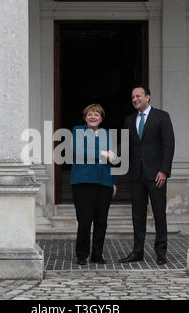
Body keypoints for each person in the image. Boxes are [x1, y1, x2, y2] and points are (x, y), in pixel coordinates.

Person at [118, 85, 175, 265]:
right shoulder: (129, 120)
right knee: (138, 216)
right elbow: (124, 145)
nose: (135, 99)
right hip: (136, 175)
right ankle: (137, 252)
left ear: (148, 97)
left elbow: (169, 145)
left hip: (157, 175)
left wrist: (164, 170)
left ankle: (161, 252)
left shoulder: (162, 116)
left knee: (159, 215)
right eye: (133, 97)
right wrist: (112, 154)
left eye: (138, 96)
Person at [70, 103, 117, 265]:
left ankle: (97, 254)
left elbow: (112, 160)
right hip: (83, 182)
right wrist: (102, 153)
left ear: (101, 118)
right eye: (90, 114)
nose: (93, 116)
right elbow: (79, 152)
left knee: (101, 221)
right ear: (85, 117)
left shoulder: (107, 134)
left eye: (96, 114)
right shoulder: (78, 131)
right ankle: (82, 254)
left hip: (104, 182)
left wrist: (114, 182)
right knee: (84, 220)